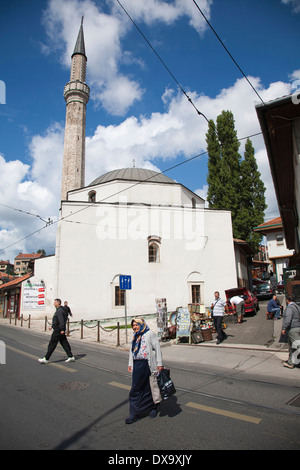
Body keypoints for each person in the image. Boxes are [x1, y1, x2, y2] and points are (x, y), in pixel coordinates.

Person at [126, 318, 163, 424]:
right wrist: (130, 364)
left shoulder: (149, 334)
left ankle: (153, 408)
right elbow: (131, 351)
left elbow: (157, 348)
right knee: (135, 389)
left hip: (148, 364)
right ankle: (134, 413)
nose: (135, 327)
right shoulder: (135, 336)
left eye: (137, 325)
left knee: (150, 387)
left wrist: (159, 363)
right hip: (137, 364)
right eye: (133, 325)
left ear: (142, 325)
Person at [38, 299, 75, 364]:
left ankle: (46, 358)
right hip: (59, 329)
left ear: (58, 303)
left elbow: (61, 321)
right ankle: (70, 356)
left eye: (55, 302)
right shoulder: (61, 310)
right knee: (64, 343)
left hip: (58, 330)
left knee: (52, 343)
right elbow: (58, 320)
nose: (54, 304)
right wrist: (52, 326)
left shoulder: (59, 311)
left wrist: (62, 329)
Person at [281, 295, 300, 369]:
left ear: (287, 300)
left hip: (292, 329)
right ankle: (291, 362)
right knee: (292, 347)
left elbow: (288, 318)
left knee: (297, 346)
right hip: (298, 327)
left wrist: (284, 328)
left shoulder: (290, 307)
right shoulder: (297, 307)